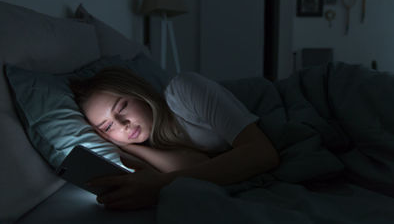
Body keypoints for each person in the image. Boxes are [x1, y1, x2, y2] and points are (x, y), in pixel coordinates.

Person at [69, 67, 280, 210]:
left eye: (123, 107)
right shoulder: (153, 141)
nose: (123, 124)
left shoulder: (183, 90)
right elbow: (199, 168)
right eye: (107, 126)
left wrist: (160, 184)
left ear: (139, 93)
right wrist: (126, 146)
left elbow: (262, 153)